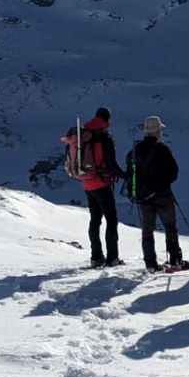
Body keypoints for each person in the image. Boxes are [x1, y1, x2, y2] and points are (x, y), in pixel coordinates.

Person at [126, 115, 188, 272]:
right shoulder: (162, 150)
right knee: (170, 227)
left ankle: (150, 264)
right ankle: (175, 260)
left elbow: (129, 174)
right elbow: (173, 174)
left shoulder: (134, 151)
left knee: (147, 230)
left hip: (143, 197)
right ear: (157, 131)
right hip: (162, 195)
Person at [65, 107, 122, 267]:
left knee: (95, 220)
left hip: (87, 183)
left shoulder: (83, 135)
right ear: (107, 120)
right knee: (111, 220)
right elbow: (111, 164)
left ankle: (96, 257)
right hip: (102, 183)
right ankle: (112, 258)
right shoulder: (104, 137)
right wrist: (125, 175)